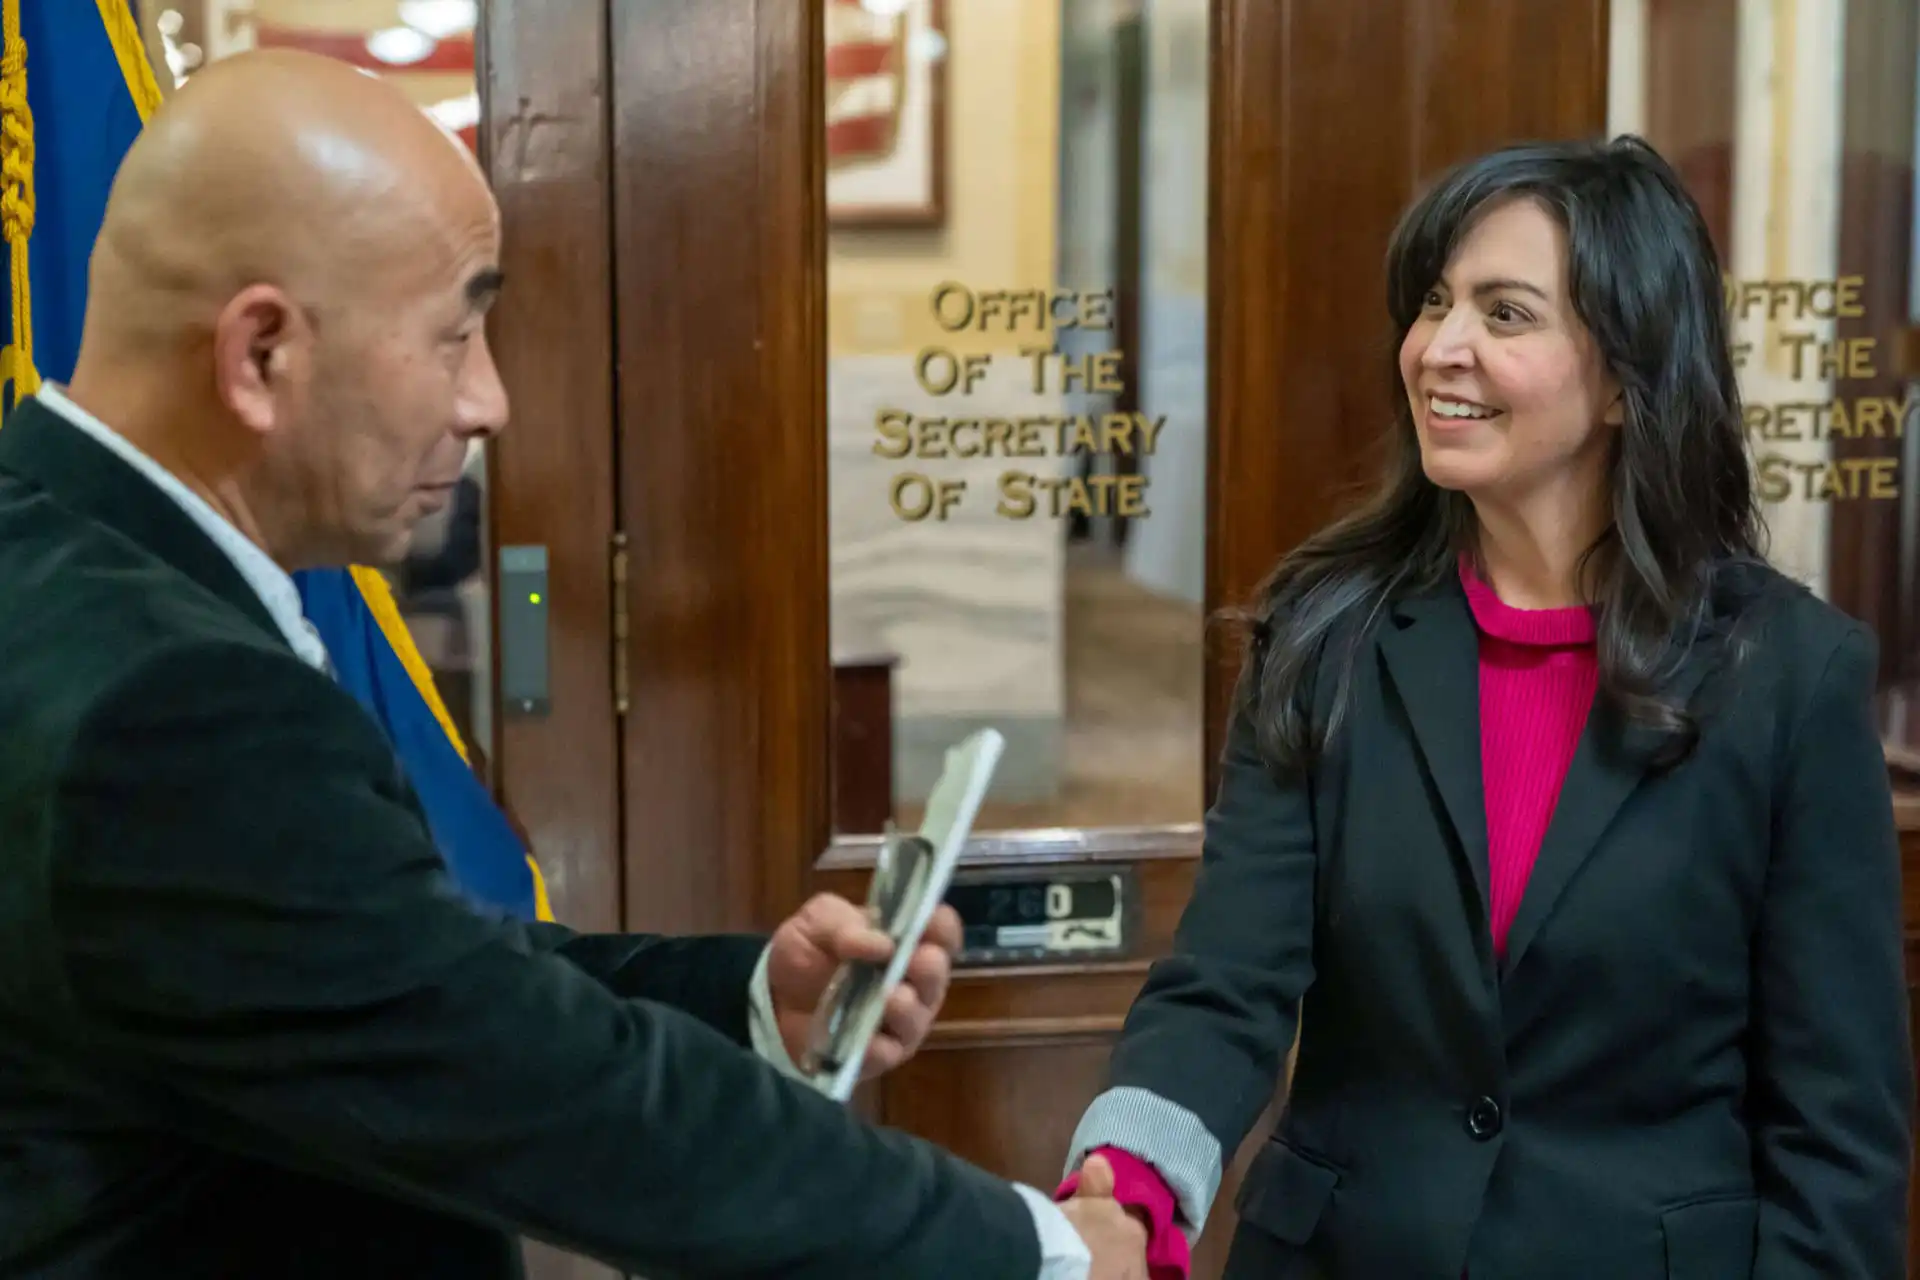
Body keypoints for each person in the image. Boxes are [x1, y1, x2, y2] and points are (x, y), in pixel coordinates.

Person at [0, 50, 1146, 1278]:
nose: (488, 401)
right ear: (262, 354)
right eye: (454, 336)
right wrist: (1038, 1251)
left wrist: (750, 993)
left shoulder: (60, 562)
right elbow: (540, 1094)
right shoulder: (173, 716)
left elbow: (395, 971)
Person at [1053, 136, 1913, 1278]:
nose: (1438, 348)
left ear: (1624, 376)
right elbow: (1227, 983)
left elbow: (1836, 1135)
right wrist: (1127, 1192)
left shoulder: (1790, 677)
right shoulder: (1326, 630)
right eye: (1433, 301)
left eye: (1505, 314)